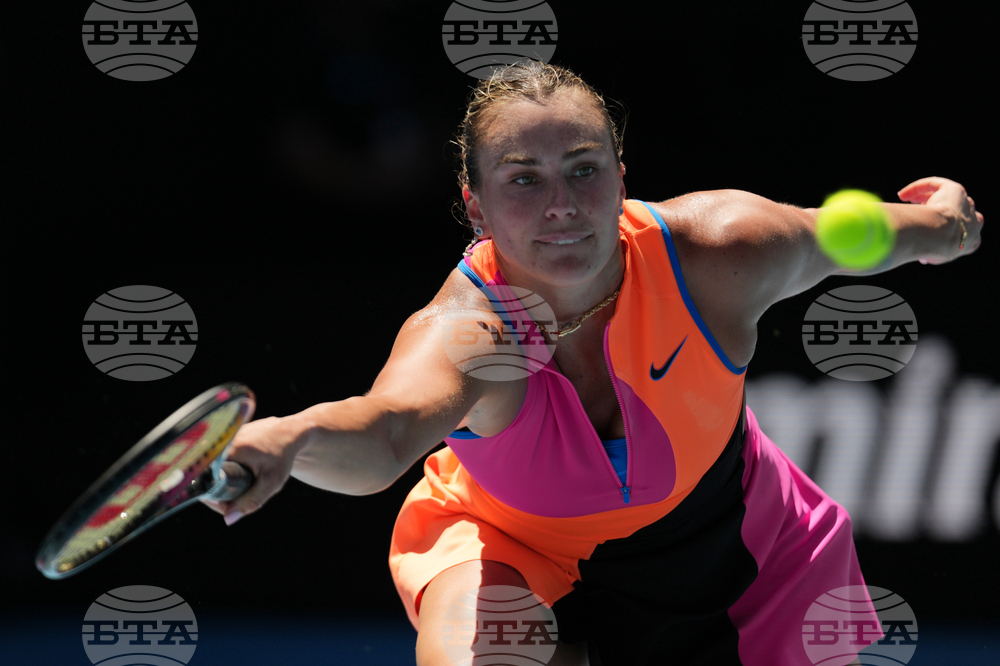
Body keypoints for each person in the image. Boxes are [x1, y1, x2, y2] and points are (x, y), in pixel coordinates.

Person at [201, 60, 983, 665]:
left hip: (738, 545)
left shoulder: (719, 253)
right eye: (523, 180)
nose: (562, 206)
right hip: (514, 547)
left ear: (618, 172)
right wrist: (290, 437)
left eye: (583, 167)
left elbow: (839, 234)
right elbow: (388, 430)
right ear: (474, 204)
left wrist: (942, 225)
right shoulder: (473, 332)